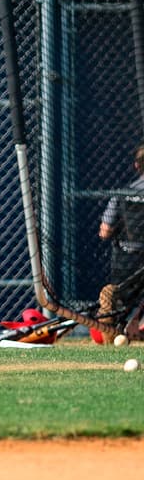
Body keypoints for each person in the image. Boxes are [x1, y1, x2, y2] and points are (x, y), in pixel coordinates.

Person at [97, 143, 144, 340]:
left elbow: (105, 231)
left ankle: (114, 321)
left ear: (137, 166)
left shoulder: (123, 194)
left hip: (126, 258)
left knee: (122, 292)